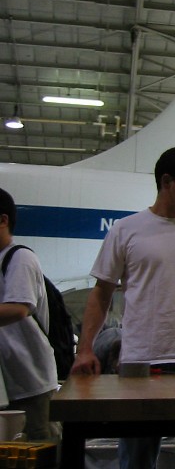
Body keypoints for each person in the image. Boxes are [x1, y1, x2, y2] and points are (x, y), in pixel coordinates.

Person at [71, 146, 175, 469]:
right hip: (139, 365)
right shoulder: (126, 230)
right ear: (167, 182)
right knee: (136, 461)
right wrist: (85, 349)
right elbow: (101, 293)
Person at [0, 187, 60, 442]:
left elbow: (19, 308)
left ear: (3, 220)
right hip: (7, 384)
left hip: (30, 383)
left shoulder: (20, 258)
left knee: (39, 445)